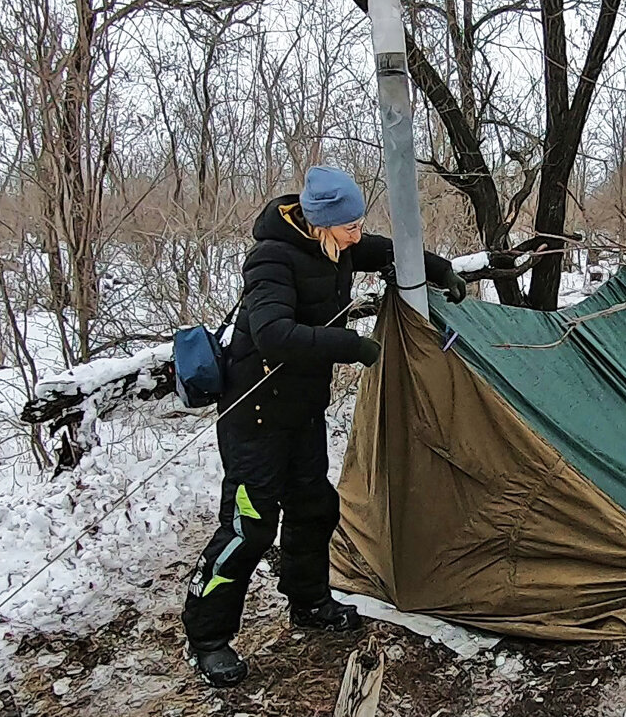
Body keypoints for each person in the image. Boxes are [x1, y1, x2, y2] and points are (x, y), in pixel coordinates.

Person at [182, 165, 467, 687]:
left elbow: (385, 250)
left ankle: (309, 601)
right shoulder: (271, 259)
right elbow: (272, 333)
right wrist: (351, 347)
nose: (357, 232)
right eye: (348, 225)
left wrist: (439, 268)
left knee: (315, 508)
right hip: (256, 417)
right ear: (320, 223)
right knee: (249, 528)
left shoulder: (338, 247)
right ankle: (207, 638)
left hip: (300, 411)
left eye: (359, 222)